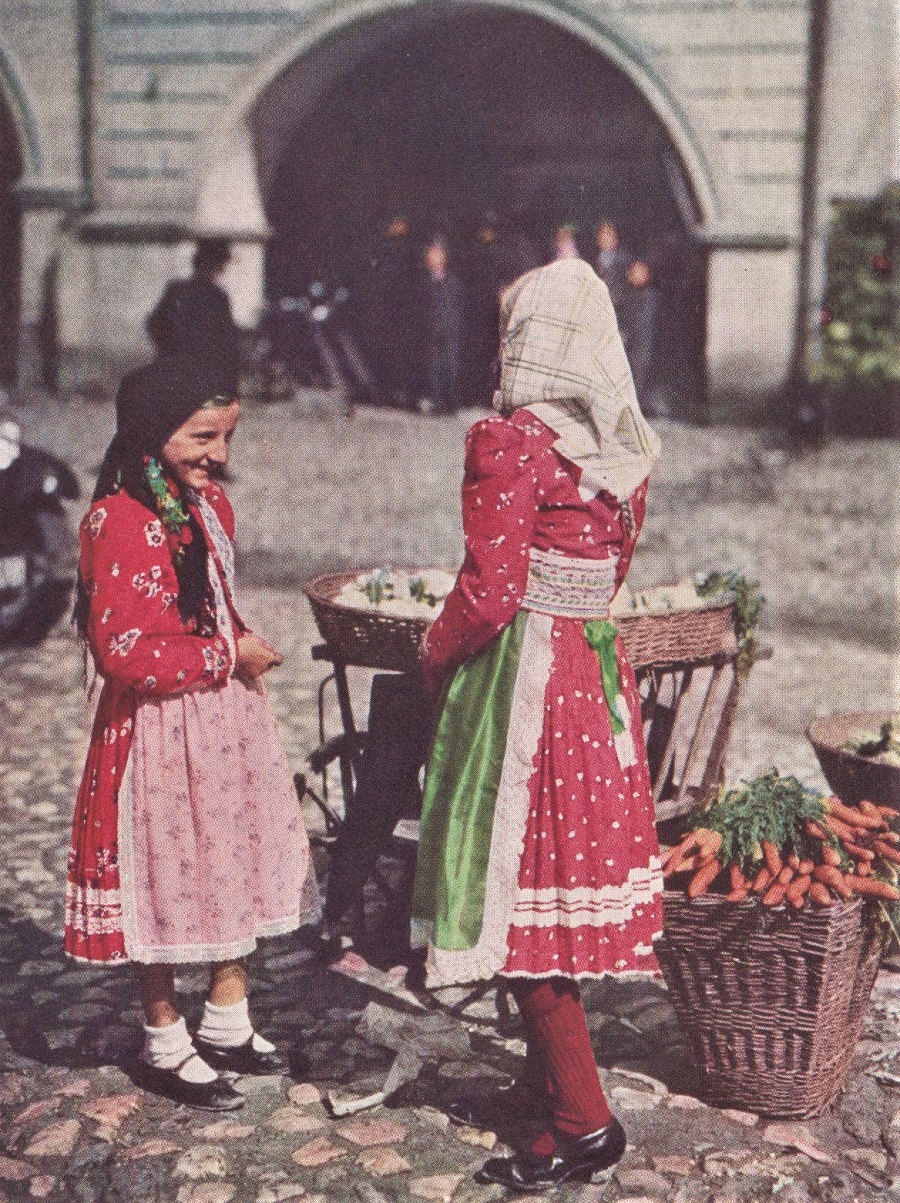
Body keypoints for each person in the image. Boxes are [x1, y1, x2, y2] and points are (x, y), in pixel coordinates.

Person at [411, 258, 664, 1190]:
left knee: (510, 890)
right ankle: (552, 1089)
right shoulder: (623, 452)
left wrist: (434, 655)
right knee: (554, 897)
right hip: (595, 673)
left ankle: (585, 1119)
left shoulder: (512, 441)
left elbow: (489, 589)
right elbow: (610, 571)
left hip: (525, 681)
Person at [66, 356, 320, 1111]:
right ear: (151, 435)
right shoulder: (119, 519)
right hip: (156, 731)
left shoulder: (210, 510)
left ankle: (228, 1014)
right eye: (203, 435)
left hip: (220, 719)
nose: (221, 455)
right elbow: (122, 651)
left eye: (228, 436)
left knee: (229, 857)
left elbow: (214, 603)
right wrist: (224, 655)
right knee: (168, 872)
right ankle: (165, 1034)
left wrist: (238, 641)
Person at [146, 238, 241, 396]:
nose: (222, 270)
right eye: (220, 265)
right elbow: (227, 343)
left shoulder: (176, 290)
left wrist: (165, 352)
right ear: (212, 265)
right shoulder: (217, 297)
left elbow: (154, 325)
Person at [414, 235, 464, 416]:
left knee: (450, 365)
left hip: (449, 329)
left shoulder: (452, 281)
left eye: (439, 253)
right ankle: (434, 400)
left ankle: (450, 401)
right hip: (431, 329)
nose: (435, 257)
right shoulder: (422, 281)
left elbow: (455, 307)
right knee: (432, 365)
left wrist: (454, 326)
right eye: (431, 254)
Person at [593, 221, 633, 319]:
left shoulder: (626, 261)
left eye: (609, 234)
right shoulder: (592, 261)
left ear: (616, 238)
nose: (605, 238)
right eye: (602, 234)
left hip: (620, 313)